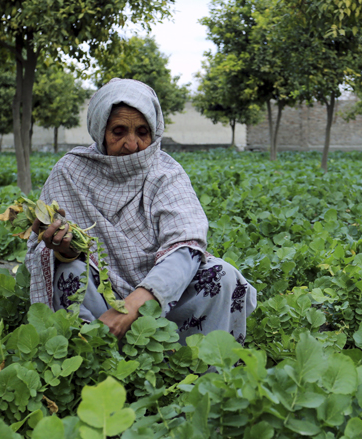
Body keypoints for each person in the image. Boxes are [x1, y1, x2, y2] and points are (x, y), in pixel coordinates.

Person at [26, 78, 256, 344]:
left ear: (154, 132)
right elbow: (44, 252)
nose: (132, 144)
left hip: (165, 303)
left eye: (143, 132)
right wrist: (64, 250)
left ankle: (196, 366)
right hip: (99, 304)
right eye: (119, 131)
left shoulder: (165, 173)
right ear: (100, 131)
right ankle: (92, 359)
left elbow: (185, 246)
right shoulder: (70, 172)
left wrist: (134, 306)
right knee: (67, 273)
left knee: (222, 276)